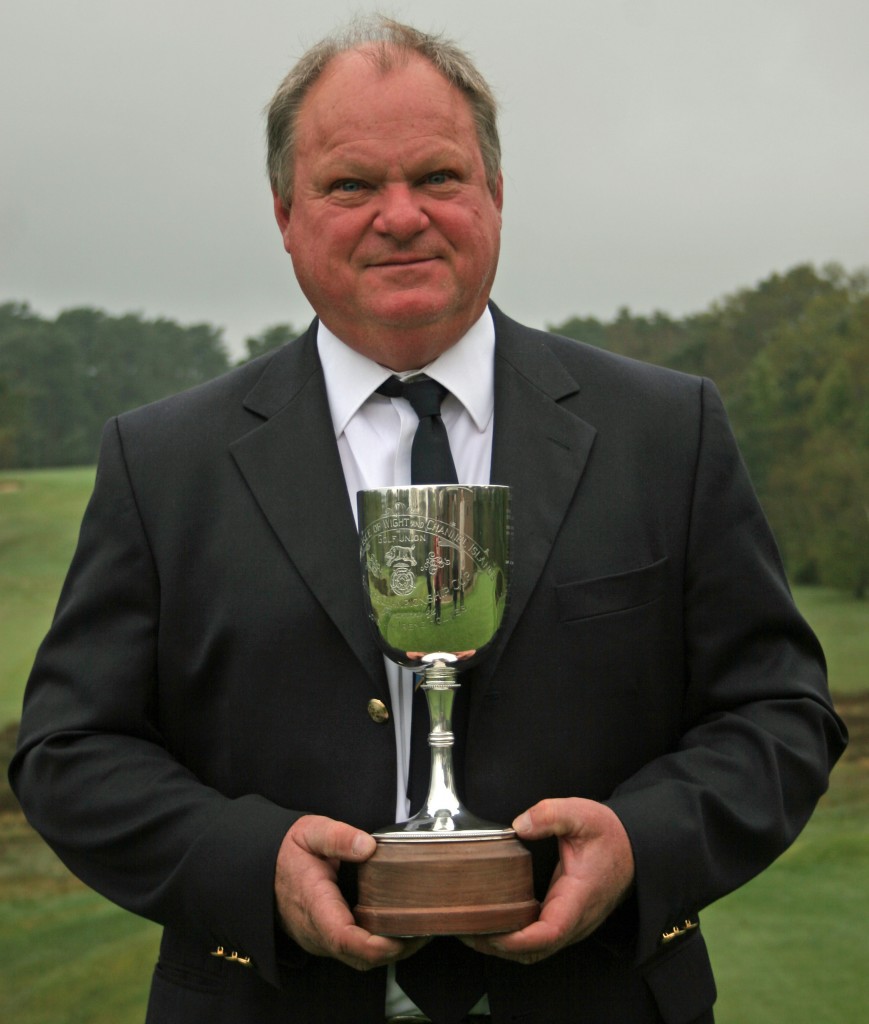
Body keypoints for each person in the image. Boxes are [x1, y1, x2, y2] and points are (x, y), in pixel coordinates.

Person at [10, 16, 847, 1024]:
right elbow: (69, 750)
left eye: (438, 177)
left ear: (495, 193)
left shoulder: (665, 433)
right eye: (350, 185)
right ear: (284, 212)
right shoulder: (161, 462)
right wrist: (254, 865)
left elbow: (779, 714)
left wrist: (637, 843)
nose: (399, 216)